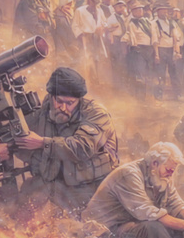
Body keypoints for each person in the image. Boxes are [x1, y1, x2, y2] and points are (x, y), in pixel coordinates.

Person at [14, 67, 119, 216]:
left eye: (70, 103)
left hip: (89, 188)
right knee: (20, 211)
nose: (63, 107)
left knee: (82, 229)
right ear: (51, 96)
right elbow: (24, 133)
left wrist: (43, 143)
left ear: (79, 100)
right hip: (53, 182)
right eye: (59, 101)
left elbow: (82, 148)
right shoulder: (46, 109)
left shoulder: (96, 114)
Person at [73, 0, 110, 83]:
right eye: (94, 1)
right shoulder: (80, 11)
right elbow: (75, 25)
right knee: (85, 58)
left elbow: (104, 22)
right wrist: (81, 35)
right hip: (85, 37)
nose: (96, 4)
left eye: (98, 2)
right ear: (89, 0)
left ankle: (96, 79)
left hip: (97, 37)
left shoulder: (99, 11)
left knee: (97, 58)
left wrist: (102, 27)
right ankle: (85, 79)